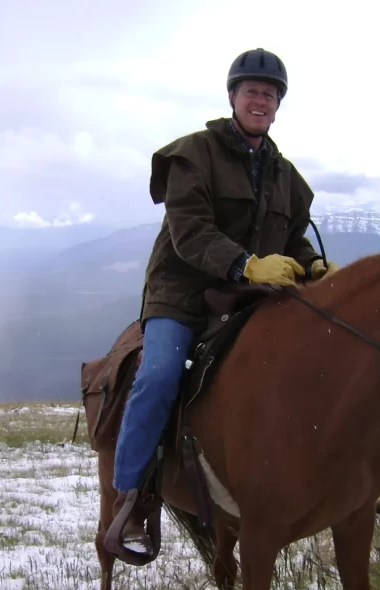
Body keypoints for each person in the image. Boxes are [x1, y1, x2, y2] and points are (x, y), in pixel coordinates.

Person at [108, 48, 338, 556]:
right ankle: (130, 494)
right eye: (252, 91)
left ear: (278, 106)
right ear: (232, 96)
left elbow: (293, 237)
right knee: (160, 374)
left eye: (270, 94)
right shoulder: (192, 155)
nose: (261, 101)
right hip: (182, 293)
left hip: (249, 296)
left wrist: (314, 264)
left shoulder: (287, 177)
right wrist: (247, 265)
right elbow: (189, 232)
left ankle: (326, 483)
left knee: (317, 365)